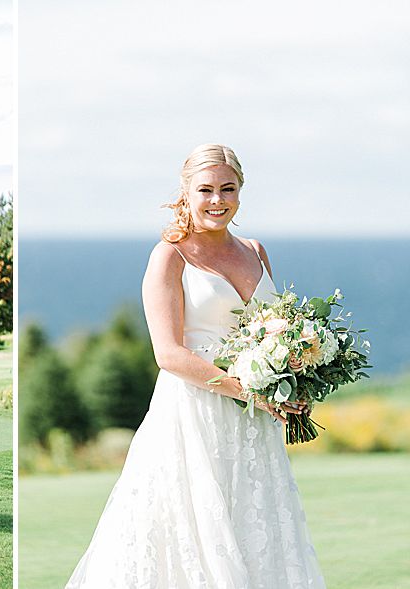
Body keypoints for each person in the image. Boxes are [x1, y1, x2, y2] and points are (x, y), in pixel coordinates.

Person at [66, 144, 325, 587]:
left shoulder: (256, 250)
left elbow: (270, 329)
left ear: (240, 191)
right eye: (205, 189)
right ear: (185, 192)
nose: (217, 200)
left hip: (253, 424)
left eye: (228, 189)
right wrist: (252, 391)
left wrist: (292, 376)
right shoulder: (169, 256)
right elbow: (168, 353)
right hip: (193, 414)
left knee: (255, 525)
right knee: (189, 533)